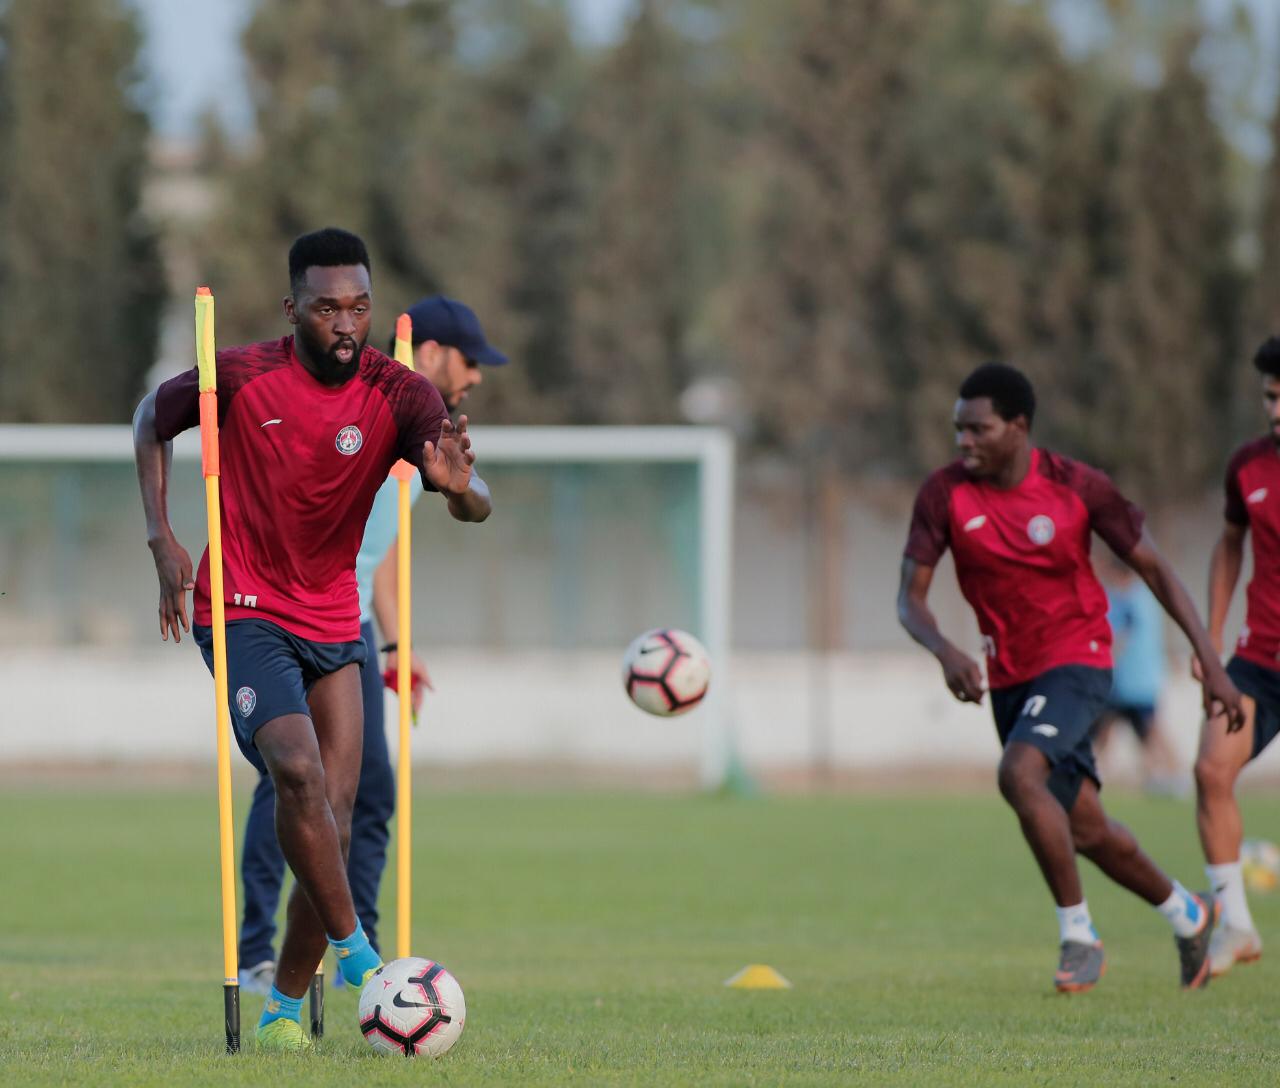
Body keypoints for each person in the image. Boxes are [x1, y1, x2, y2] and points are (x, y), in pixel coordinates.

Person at [133, 229, 492, 1051]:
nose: (345, 324)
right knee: (293, 768)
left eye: (359, 307)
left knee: (331, 810)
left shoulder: (400, 393)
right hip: (243, 603)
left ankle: (284, 1010)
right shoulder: (242, 374)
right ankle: (362, 954)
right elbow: (151, 423)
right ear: (294, 308)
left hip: (336, 615)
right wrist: (162, 538)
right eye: (328, 308)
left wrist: (457, 490)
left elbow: (469, 501)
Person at [896, 362, 1243, 993]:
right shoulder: (943, 495)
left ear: (1019, 427)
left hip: (1078, 656)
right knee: (1083, 828)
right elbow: (909, 599)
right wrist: (945, 650)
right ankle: (1188, 912)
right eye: (958, 430)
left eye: (978, 429)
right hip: (1009, 677)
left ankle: (1079, 935)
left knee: (1019, 774)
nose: (963, 442)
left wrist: (1210, 662)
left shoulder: (1077, 487)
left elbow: (1158, 571)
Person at [236, 295, 509, 995]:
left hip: (352, 626)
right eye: (468, 360)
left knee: (368, 795)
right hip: (295, 616)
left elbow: (380, 550)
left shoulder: (423, 438)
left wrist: (397, 643)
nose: (475, 377)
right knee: (292, 784)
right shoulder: (378, 415)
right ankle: (259, 953)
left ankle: (364, 951)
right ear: (429, 352)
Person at [1192, 336, 1280, 977]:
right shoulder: (1247, 467)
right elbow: (1229, 547)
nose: (1277, 410)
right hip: (1259, 660)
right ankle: (1237, 925)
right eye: (1272, 397)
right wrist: (1212, 641)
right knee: (1210, 769)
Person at [1090, 551, 1189, 797]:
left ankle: (1176, 776)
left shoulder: (1133, 598)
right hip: (1124, 683)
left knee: (1151, 731)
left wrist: (1101, 659)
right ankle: (1089, 777)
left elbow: (1122, 636)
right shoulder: (1129, 597)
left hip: (1135, 682)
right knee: (1104, 730)